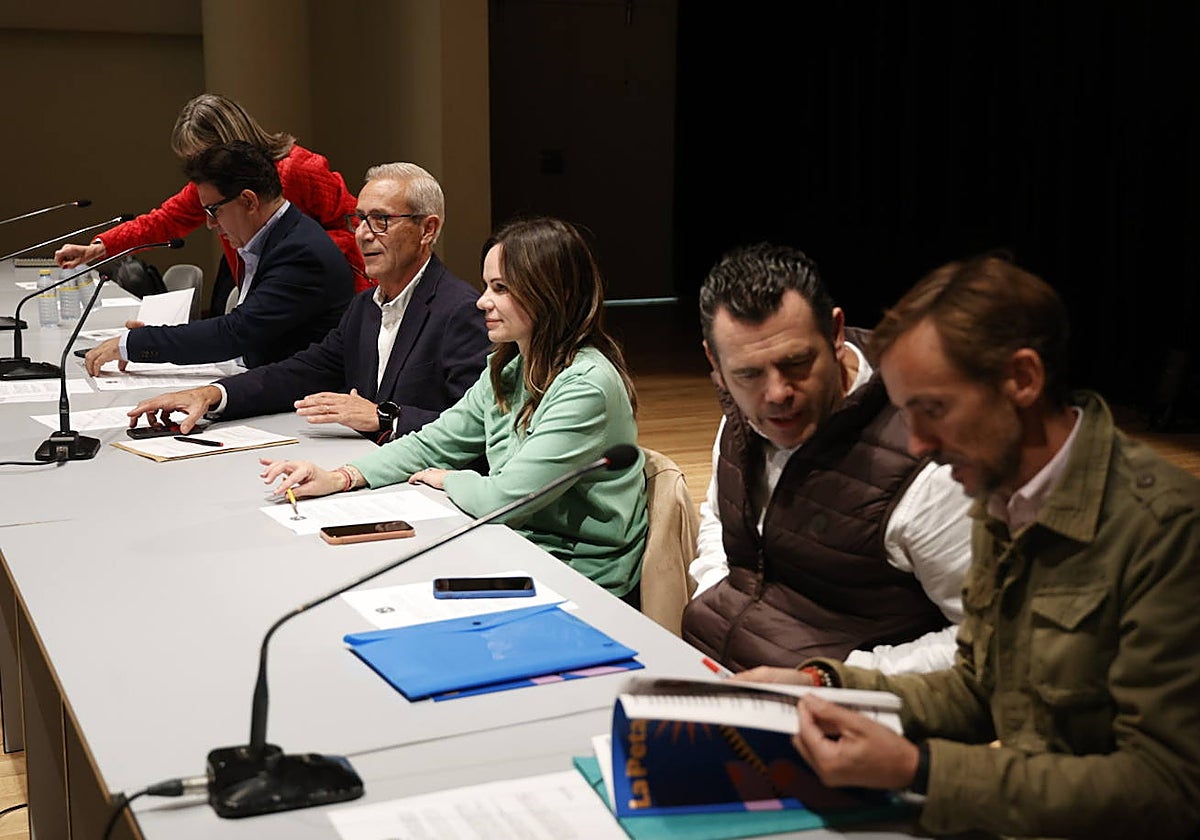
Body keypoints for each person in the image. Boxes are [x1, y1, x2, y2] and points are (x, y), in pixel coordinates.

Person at [742, 256, 1200, 838]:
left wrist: (922, 770)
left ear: (1024, 380)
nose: (918, 443)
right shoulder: (1003, 496)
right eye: (908, 414)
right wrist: (825, 685)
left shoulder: (1167, 533)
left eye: (934, 410)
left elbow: (1168, 789)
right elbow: (980, 687)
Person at [260, 217, 648, 603]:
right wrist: (341, 477)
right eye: (486, 286)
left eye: (501, 288)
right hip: (513, 546)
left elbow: (506, 502)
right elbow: (434, 442)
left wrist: (449, 480)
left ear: (556, 294)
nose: (483, 301)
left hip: (575, 574)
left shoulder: (586, 386)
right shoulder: (509, 368)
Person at [681, 244, 972, 674]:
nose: (777, 393)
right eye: (749, 373)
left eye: (796, 363)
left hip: (834, 717)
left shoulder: (925, 464)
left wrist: (839, 678)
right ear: (715, 363)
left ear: (835, 333)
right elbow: (720, 521)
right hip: (711, 672)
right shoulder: (742, 418)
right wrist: (714, 589)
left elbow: (982, 637)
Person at [124, 163, 489, 443]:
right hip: (358, 467)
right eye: (359, 219)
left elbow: (478, 426)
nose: (363, 233)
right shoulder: (365, 307)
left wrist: (385, 417)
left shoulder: (461, 312)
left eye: (381, 220)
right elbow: (300, 372)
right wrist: (212, 394)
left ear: (428, 229)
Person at [54, 92, 369, 294]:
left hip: (331, 295)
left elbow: (356, 231)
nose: (199, 168)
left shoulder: (299, 169)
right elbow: (162, 222)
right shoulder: (214, 183)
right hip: (266, 292)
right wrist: (99, 247)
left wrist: (296, 250)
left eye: (203, 156)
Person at [83, 142, 353, 375]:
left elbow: (235, 334)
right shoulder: (272, 239)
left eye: (213, 211)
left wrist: (136, 343)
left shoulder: (299, 252)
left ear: (249, 201)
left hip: (298, 403)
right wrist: (165, 334)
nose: (210, 225)